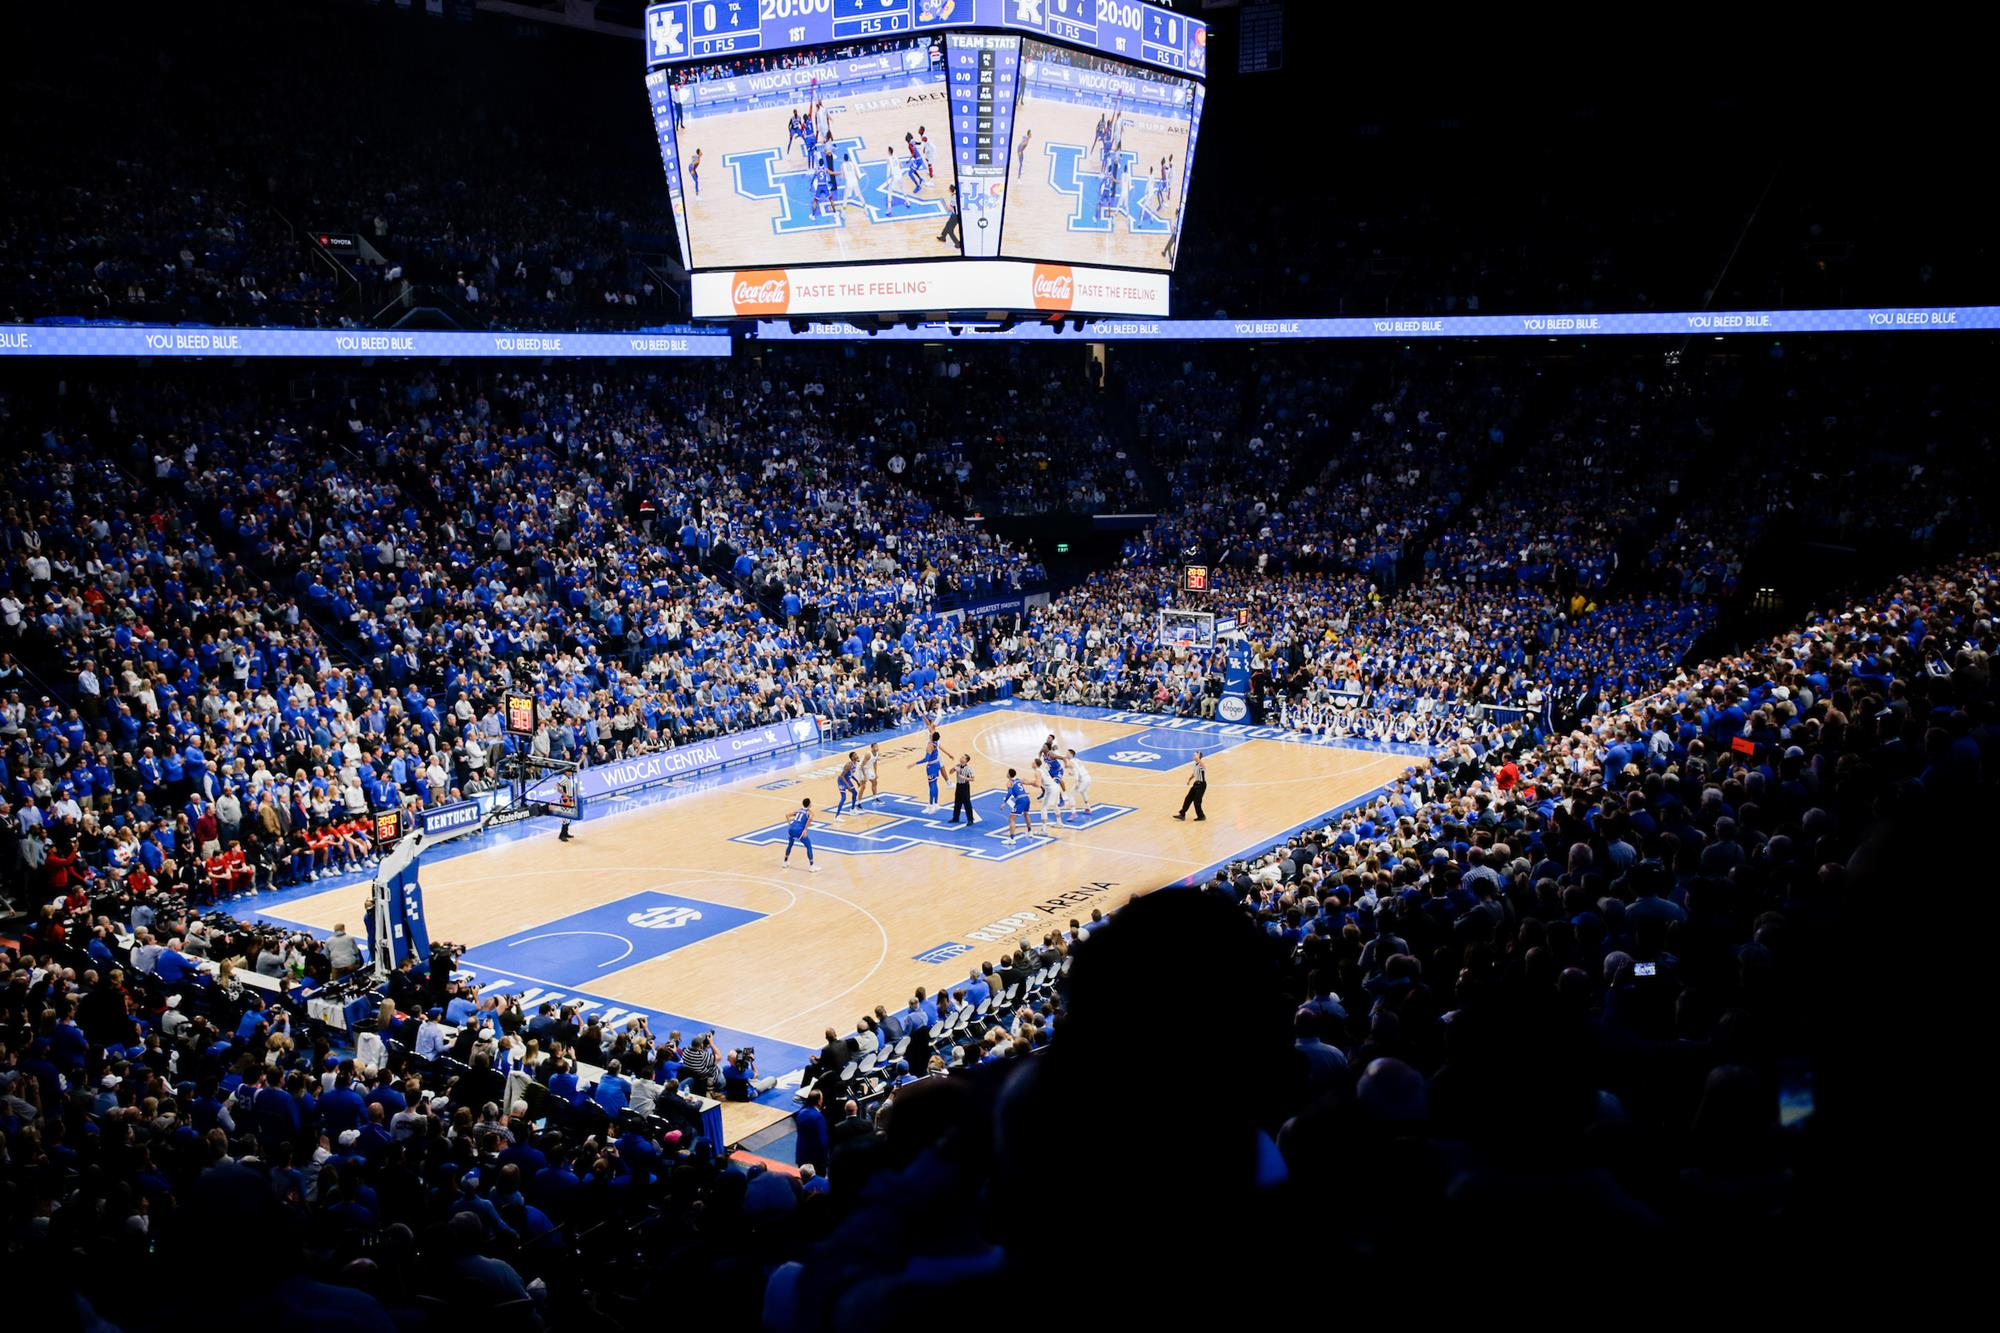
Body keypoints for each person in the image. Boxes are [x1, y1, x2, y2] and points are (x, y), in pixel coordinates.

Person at [909, 732, 944, 810]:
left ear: (932, 737)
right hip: (937, 763)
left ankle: (931, 805)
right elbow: (932, 729)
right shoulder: (935, 742)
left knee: (931, 785)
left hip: (931, 766)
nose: (930, 734)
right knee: (935, 784)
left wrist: (915, 763)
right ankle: (936, 803)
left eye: (931, 734)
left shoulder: (930, 745)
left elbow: (926, 759)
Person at [784, 797, 818, 873]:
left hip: (791, 829)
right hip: (799, 831)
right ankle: (812, 866)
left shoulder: (799, 810)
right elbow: (809, 819)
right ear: (809, 804)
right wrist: (805, 829)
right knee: (809, 846)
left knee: (790, 845)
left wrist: (790, 824)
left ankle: (785, 862)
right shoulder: (810, 812)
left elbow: (787, 815)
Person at [1174, 750, 1208, 821]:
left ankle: (1201, 816)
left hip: (1201, 785)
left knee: (1197, 802)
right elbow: (1194, 773)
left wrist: (1198, 755)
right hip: (1196, 784)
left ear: (1199, 757)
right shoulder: (1195, 764)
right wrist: (1189, 779)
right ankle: (1182, 814)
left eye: (1195, 755)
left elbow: (1200, 762)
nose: (1193, 756)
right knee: (1188, 798)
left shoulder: (1202, 764)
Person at [1004, 767, 1034, 845]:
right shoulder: (1018, 779)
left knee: (1011, 819)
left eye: (1007, 773)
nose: (1006, 774)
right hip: (1026, 798)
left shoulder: (1009, 782)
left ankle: (1012, 839)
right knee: (1026, 814)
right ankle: (1030, 831)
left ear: (1009, 775)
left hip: (1020, 800)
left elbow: (1010, 793)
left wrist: (1004, 802)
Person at [948, 751, 977, 826]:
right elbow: (950, 772)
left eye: (963, 757)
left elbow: (973, 779)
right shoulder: (957, 765)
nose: (961, 758)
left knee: (967, 803)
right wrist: (953, 769)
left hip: (965, 786)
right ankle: (955, 818)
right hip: (958, 786)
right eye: (961, 757)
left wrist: (964, 777)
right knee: (957, 802)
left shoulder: (968, 769)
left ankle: (970, 819)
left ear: (966, 760)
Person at [1067, 748, 1094, 815]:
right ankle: (1088, 808)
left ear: (1071, 754)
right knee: (1083, 792)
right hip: (1088, 777)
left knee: (1071, 795)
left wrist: (1076, 782)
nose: (1066, 754)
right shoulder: (1077, 760)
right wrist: (1072, 774)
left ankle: (1073, 813)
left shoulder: (1071, 762)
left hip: (1082, 780)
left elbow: (1076, 772)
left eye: (1067, 753)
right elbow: (1080, 769)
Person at [834, 751, 860, 818]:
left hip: (847, 780)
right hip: (841, 781)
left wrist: (857, 781)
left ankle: (852, 809)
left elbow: (850, 775)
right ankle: (837, 816)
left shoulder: (855, 764)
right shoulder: (848, 765)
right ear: (852, 757)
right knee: (843, 798)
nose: (856, 755)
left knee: (855, 793)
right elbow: (842, 775)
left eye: (856, 754)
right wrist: (847, 785)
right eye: (855, 755)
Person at [557, 773, 577, 842]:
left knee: (569, 818)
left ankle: (565, 833)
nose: (571, 773)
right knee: (565, 818)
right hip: (565, 800)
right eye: (570, 772)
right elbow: (557, 786)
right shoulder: (564, 778)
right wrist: (564, 794)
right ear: (566, 772)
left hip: (570, 799)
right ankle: (562, 835)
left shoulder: (567, 778)